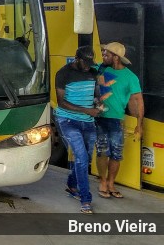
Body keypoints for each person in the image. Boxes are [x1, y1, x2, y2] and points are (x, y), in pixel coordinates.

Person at [54, 45, 100, 214]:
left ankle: (72, 185)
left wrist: (98, 103)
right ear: (77, 59)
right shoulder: (63, 73)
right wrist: (87, 110)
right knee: (80, 157)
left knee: (85, 158)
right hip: (67, 120)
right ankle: (85, 199)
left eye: (90, 62)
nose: (88, 66)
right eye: (85, 62)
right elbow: (61, 102)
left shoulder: (92, 72)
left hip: (88, 122)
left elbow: (95, 95)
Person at [95, 41, 144, 199]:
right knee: (102, 151)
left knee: (116, 154)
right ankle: (103, 181)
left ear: (116, 57)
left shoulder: (130, 77)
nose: (103, 56)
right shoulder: (100, 69)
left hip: (116, 120)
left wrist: (139, 125)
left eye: (106, 54)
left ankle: (111, 183)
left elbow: (138, 100)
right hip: (100, 119)